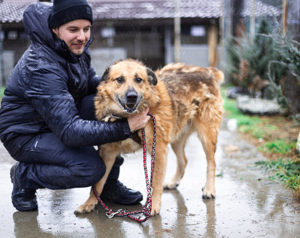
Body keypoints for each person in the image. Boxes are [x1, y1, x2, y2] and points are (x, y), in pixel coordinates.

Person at [0, 0, 150, 212]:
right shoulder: (41, 66)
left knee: (110, 107)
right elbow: (70, 131)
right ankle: (24, 176)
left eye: (86, 29)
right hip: (26, 134)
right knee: (89, 168)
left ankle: (107, 186)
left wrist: (124, 87)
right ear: (55, 29)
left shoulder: (74, 49)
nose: (82, 36)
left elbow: (90, 85)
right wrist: (126, 128)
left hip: (56, 120)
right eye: (73, 30)